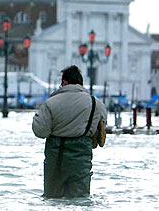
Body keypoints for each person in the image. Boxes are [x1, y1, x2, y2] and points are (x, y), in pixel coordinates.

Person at [32, 65, 106, 198]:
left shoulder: (50, 103)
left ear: (64, 82)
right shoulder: (96, 104)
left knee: (52, 200)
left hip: (56, 159)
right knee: (80, 199)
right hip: (82, 160)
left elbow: (40, 131)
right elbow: (100, 134)